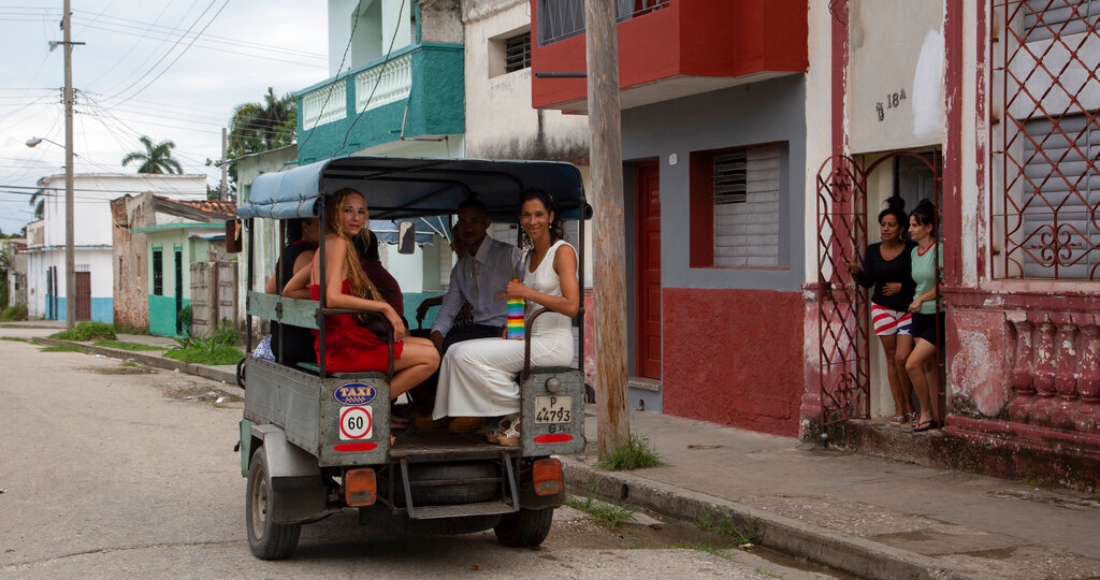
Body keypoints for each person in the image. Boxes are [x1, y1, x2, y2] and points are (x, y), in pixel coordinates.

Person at [431, 189, 580, 446]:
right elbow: (524, 303)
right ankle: (510, 412)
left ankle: (523, 412)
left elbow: (572, 306)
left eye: (538, 214)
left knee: (466, 356)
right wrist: (513, 325)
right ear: (520, 219)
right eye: (526, 215)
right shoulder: (531, 255)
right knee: (455, 352)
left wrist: (525, 291)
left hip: (553, 343)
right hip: (527, 338)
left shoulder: (562, 251)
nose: (532, 221)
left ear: (550, 216)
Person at [283, 188, 439, 405]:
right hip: (344, 350)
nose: (356, 217)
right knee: (431, 358)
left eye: (361, 211)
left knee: (428, 346)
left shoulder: (325, 245)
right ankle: (369, 406)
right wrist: (384, 308)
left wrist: (320, 292)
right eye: (348, 210)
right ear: (335, 213)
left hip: (340, 343)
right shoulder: (338, 243)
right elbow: (333, 299)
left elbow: (289, 291)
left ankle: (372, 405)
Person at [848, 198, 917, 425]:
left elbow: (921, 279)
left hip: (907, 309)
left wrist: (902, 286)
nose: (886, 229)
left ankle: (909, 404)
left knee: (902, 358)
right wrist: (857, 272)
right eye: (883, 224)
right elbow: (868, 283)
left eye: (891, 225)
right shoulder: (872, 250)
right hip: (882, 309)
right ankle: (899, 409)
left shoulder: (911, 250)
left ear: (901, 229)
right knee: (890, 359)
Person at [429, 198, 523, 353]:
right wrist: (436, 334)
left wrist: (514, 328)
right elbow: (448, 309)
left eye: (474, 221)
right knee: (424, 341)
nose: (468, 228)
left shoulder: (509, 255)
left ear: (486, 223)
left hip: (505, 330)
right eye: (463, 222)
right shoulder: (461, 268)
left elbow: (530, 294)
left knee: (453, 345)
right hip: (476, 330)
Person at [905, 199, 944, 433]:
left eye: (915, 225)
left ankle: (926, 412)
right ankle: (937, 415)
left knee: (912, 363)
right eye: (910, 225)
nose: (910, 229)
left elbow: (945, 284)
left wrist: (921, 299)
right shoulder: (914, 253)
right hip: (918, 316)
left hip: (936, 314)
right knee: (928, 367)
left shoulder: (938, 250)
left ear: (928, 227)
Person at [259, 218, 319, 366]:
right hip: (302, 344)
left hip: (278, 341)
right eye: (321, 225)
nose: (329, 231)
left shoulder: (287, 252)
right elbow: (318, 292)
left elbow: (270, 290)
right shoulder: (310, 256)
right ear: (305, 226)